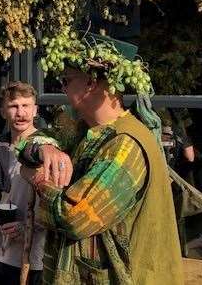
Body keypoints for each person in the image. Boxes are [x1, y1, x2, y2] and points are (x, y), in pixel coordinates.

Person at [18, 33, 184, 284]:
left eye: (66, 80)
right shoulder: (83, 131)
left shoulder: (126, 145)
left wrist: (37, 177)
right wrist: (43, 150)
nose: (61, 88)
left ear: (92, 81)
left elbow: (75, 217)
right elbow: (27, 143)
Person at [0, 82, 45, 284]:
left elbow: (56, 206)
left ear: (35, 110)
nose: (21, 112)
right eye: (14, 106)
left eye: (26, 106)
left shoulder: (47, 148)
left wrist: (27, 227)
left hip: (32, 257)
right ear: (3, 112)